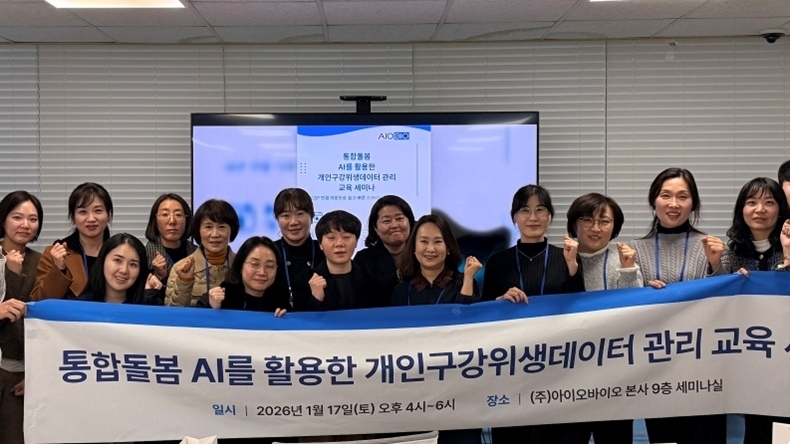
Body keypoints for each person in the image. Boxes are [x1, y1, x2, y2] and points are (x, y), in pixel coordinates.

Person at [482, 184, 585, 444]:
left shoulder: (566, 257)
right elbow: (483, 315)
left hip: (557, 367)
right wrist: (499, 302)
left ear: (549, 216)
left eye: (540, 210)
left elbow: (579, 309)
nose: (533, 217)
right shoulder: (498, 262)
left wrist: (572, 267)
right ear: (514, 217)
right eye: (525, 210)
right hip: (512, 368)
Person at [630, 168, 726, 444]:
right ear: (654, 201)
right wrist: (639, 289)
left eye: (682, 197)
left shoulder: (712, 246)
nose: (673, 204)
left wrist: (717, 265)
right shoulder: (634, 250)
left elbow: (726, 305)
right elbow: (627, 310)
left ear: (693, 203)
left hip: (704, 370)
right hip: (657, 370)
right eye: (666, 196)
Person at [390, 214, 482, 444]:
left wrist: (468, 279)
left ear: (448, 248)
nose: (430, 249)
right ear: (413, 248)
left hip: (459, 390)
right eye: (423, 241)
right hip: (415, 391)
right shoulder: (402, 291)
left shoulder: (465, 282)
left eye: (438, 241)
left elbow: (469, 326)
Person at [564, 192, 642, 443]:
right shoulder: (559, 260)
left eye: (604, 221)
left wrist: (629, 271)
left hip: (614, 379)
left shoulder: (624, 261)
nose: (595, 228)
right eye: (587, 220)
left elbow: (636, 315)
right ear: (574, 224)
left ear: (614, 227)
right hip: (567, 379)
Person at [720, 178, 790, 444]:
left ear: (780, 210)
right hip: (752, 363)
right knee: (757, 432)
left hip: (785, 360)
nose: (760, 209)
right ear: (742, 209)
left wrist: (787, 255)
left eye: (769, 202)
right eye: (751, 202)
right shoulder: (728, 255)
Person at [0, 191, 43, 444]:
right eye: (17, 217)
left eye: (33, 219)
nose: (25, 225)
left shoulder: (42, 262)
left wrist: (37, 372)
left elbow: (46, 321)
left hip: (23, 373)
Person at [32, 182, 113, 301]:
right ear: (73, 218)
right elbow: (39, 301)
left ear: (109, 215)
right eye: (82, 212)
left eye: (98, 211)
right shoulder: (55, 253)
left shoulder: (118, 254)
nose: (91, 218)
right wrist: (59, 269)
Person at [292, 210, 377, 312]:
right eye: (331, 238)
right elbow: (300, 319)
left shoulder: (371, 281)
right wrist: (316, 299)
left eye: (346, 237)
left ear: (356, 242)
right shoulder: (303, 281)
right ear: (320, 244)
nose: (339, 244)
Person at [165, 199, 239, 307]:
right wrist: (184, 282)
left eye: (222, 227)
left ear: (232, 230)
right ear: (198, 231)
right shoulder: (180, 268)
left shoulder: (242, 266)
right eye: (208, 227)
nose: (215, 234)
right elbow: (171, 313)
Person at [197, 236, 289, 315]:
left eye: (269, 266)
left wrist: (286, 319)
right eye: (255, 264)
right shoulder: (219, 297)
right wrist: (212, 309)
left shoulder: (281, 303)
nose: (262, 272)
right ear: (240, 266)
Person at [356, 195, 415, 306]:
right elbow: (366, 295)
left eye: (399, 218)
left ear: (410, 222)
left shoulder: (422, 253)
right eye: (387, 221)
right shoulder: (364, 259)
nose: (394, 225)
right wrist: (399, 275)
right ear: (375, 228)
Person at [272, 188, 325, 308]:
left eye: (300, 214)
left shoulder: (325, 251)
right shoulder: (269, 252)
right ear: (278, 220)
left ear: (312, 216)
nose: (293, 222)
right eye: (286, 215)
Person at [78, 233, 161, 304]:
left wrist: (150, 298)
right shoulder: (80, 306)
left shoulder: (149, 304)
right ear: (103, 260)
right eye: (118, 260)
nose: (124, 270)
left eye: (133, 264)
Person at [144, 193, 196, 285]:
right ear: (155, 221)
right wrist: (160, 275)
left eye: (178, 215)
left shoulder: (196, 252)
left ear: (187, 220)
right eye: (165, 215)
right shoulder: (145, 255)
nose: (172, 221)